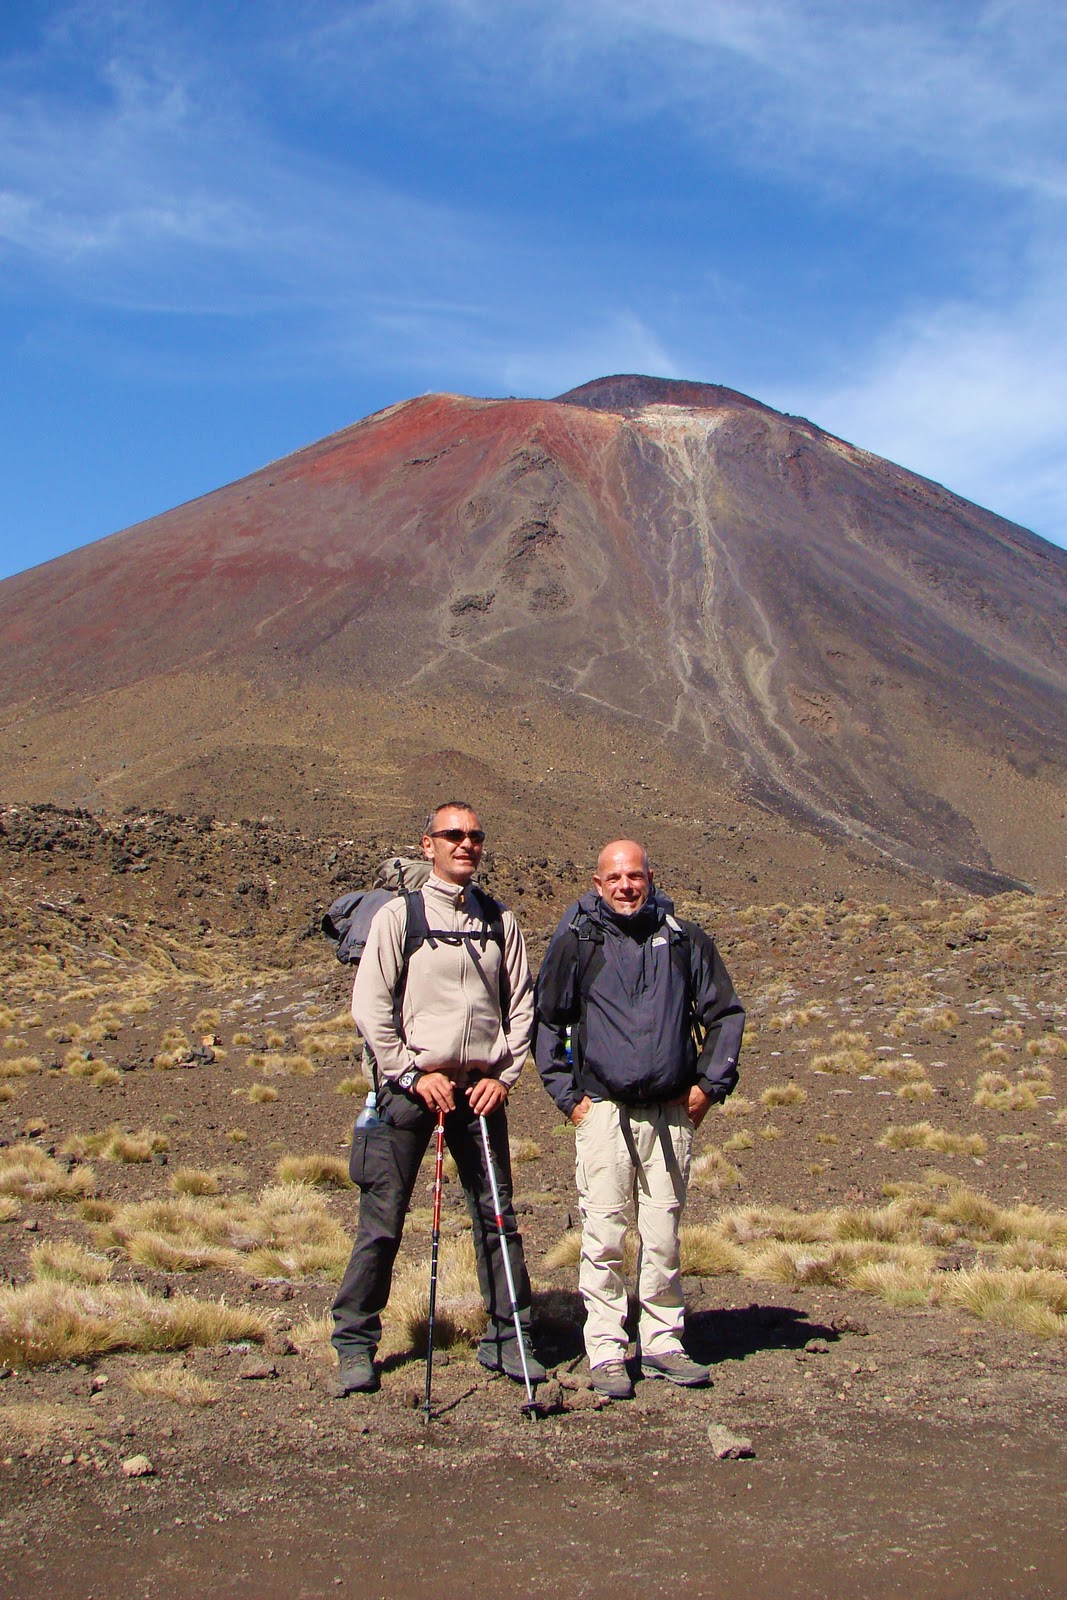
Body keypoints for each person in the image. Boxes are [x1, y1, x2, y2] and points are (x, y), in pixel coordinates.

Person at [331, 800, 544, 1394]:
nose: (465, 844)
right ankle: (354, 1342)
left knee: (497, 1218)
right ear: (428, 845)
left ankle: (510, 1339)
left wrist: (503, 1076)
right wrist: (407, 1072)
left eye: (475, 835)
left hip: (480, 1091)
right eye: (453, 835)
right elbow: (369, 1007)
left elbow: (522, 1004)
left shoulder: (501, 921)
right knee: (383, 1220)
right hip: (409, 1090)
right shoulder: (398, 918)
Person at [534, 839, 744, 1400]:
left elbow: (724, 1014)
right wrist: (570, 1099)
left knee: (663, 1234)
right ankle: (604, 1348)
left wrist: (707, 1088)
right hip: (603, 1113)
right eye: (615, 878)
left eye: (635, 876)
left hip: (672, 1114)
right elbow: (547, 1023)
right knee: (602, 1233)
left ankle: (662, 1343)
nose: (626, 886)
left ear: (651, 877)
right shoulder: (578, 942)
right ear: (598, 884)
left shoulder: (684, 941)